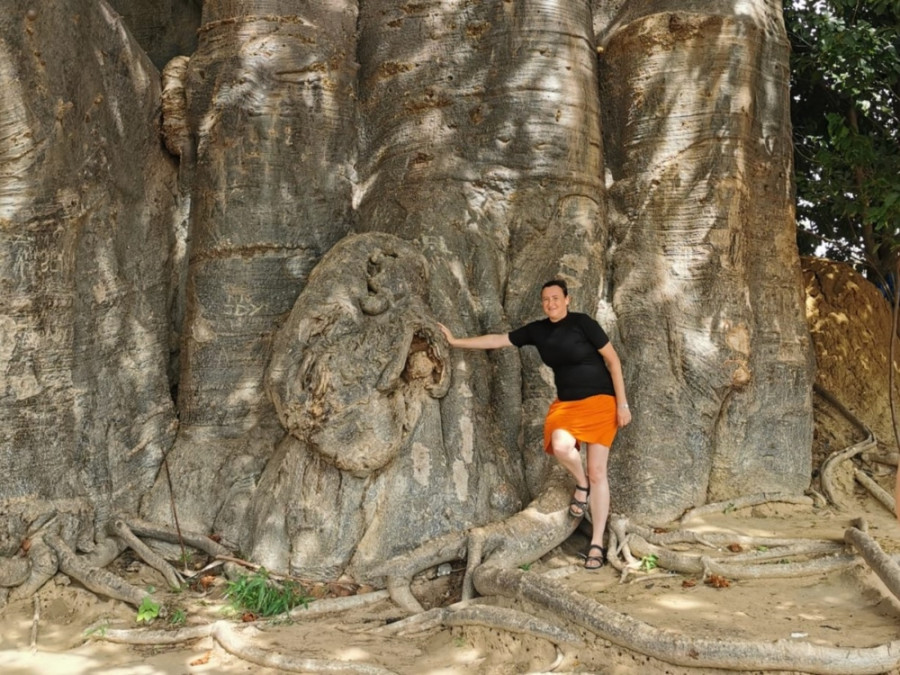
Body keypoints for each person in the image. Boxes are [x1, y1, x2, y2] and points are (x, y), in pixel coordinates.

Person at [439, 279, 631, 569]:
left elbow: (613, 362)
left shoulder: (583, 324)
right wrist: (455, 341)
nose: (551, 303)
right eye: (546, 299)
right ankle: (581, 485)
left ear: (567, 299)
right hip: (567, 406)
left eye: (556, 298)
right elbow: (497, 340)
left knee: (598, 471)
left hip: (601, 402)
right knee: (561, 446)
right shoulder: (538, 331)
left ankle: (596, 543)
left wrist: (622, 404)